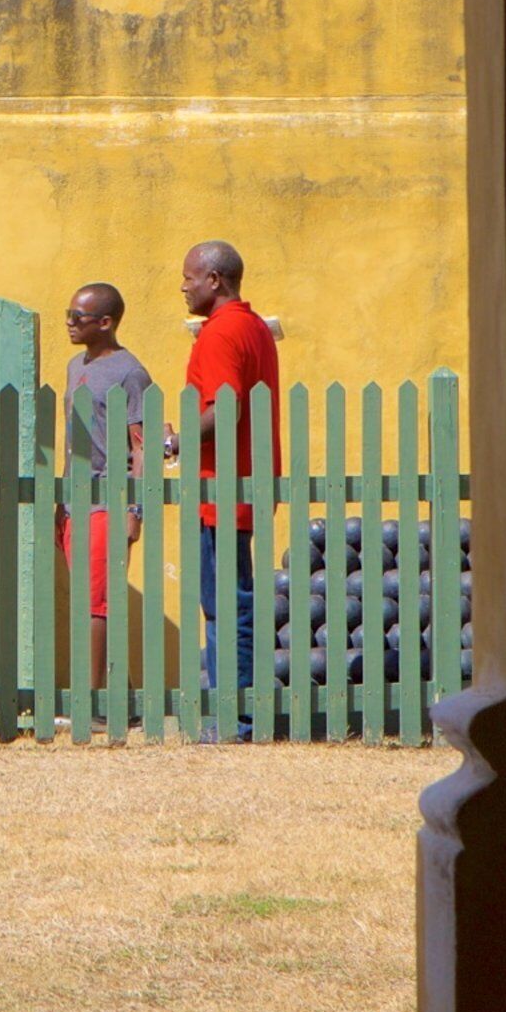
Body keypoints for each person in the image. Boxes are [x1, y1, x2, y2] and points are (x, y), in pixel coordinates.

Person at [179, 241, 283, 730]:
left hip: (221, 486)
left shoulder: (221, 333)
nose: (183, 286)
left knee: (225, 607)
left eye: (189, 277)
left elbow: (225, 411)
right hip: (244, 480)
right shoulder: (255, 326)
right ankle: (239, 713)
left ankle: (233, 718)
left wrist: (175, 439)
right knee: (234, 600)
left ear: (214, 280)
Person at [59, 284, 157, 688]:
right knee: (91, 599)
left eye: (77, 317)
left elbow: (143, 446)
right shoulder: (73, 366)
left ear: (105, 322)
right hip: (74, 501)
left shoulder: (130, 373)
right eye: (69, 313)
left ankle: (94, 702)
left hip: (110, 500)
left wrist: (135, 511)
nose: (69, 322)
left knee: (96, 604)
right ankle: (123, 696)